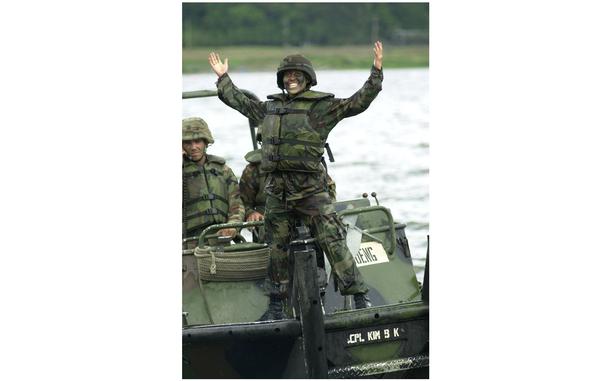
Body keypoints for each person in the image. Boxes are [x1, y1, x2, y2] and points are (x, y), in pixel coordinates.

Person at [208, 41, 384, 318]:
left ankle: (359, 296)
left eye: (296, 75)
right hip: (277, 192)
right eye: (286, 76)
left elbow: (357, 103)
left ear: (307, 78)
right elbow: (241, 103)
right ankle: (276, 304)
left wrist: (375, 73)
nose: (291, 79)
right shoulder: (269, 109)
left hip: (310, 190)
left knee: (332, 240)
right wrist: (223, 78)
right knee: (276, 249)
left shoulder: (321, 108)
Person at [239, 137, 337, 243]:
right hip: (271, 222)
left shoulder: (308, 162)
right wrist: (251, 213)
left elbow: (328, 193)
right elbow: (242, 202)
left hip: (308, 215)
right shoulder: (253, 170)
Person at [182, 117, 245, 249]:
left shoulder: (223, 170)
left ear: (205, 142)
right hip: (189, 243)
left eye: (198, 141)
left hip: (221, 240)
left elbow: (237, 206)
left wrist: (232, 227)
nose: (193, 147)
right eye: (187, 143)